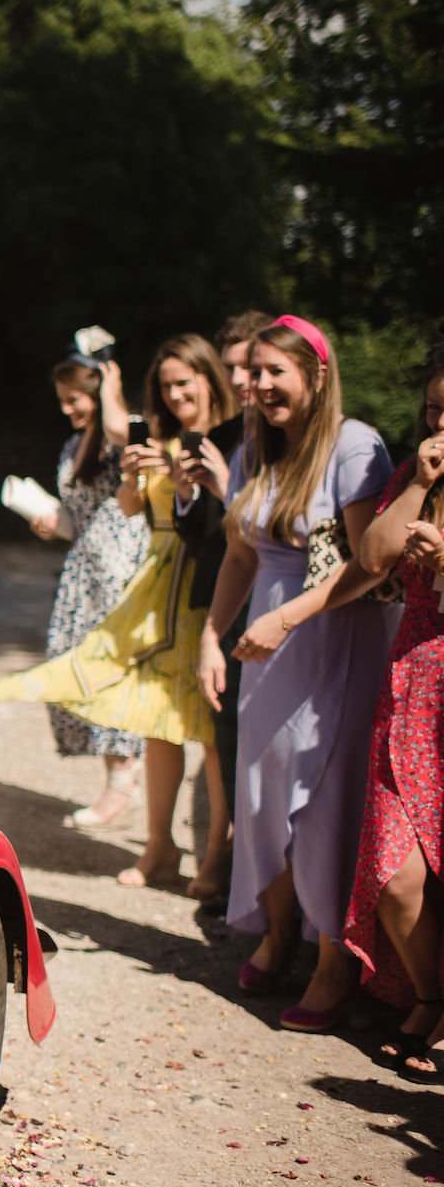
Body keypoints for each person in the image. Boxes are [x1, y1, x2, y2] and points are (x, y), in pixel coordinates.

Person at [198, 315, 396, 1031]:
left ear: (316, 373)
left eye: (273, 371)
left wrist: (287, 618)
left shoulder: (355, 445)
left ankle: (333, 960)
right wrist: (210, 635)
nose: (258, 385)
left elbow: (370, 562)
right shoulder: (256, 449)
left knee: (319, 801)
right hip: (264, 645)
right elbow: (241, 554)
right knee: (260, 795)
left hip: (333, 635)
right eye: (252, 372)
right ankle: (279, 932)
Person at [0, 334, 237, 888]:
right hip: (156, 586)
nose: (175, 395)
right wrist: (136, 473)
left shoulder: (229, 439)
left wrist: (175, 470)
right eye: (167, 386)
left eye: (184, 383)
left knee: (210, 728)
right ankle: (159, 847)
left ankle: (216, 857)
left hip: (209, 582)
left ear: (209, 380)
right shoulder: (160, 436)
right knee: (156, 722)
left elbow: (230, 518)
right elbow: (131, 505)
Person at [342, 355, 444, 1073]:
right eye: (435, 407)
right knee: (397, 874)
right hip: (412, 687)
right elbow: (373, 557)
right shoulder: (414, 472)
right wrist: (419, 485)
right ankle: (431, 994)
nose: (443, 422)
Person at [174, 309, 274, 903]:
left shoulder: (302, 438)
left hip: (284, 606)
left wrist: (227, 490)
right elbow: (206, 537)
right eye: (232, 367)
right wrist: (191, 494)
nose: (239, 379)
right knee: (228, 737)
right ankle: (244, 888)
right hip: (228, 604)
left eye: (250, 367)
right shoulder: (227, 435)